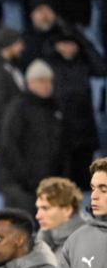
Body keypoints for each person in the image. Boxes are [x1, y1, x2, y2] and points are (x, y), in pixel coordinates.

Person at [0, 59, 64, 211]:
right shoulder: (18, 108)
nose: (46, 85)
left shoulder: (55, 108)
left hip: (50, 185)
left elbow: (62, 145)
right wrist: (25, 178)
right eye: (41, 80)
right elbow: (9, 145)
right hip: (23, 187)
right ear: (30, 83)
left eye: (49, 81)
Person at [45, 27, 107, 188]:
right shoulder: (50, 62)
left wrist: (86, 44)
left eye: (72, 44)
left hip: (83, 125)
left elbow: (101, 69)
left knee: (83, 175)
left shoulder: (83, 61)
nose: (68, 48)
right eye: (63, 44)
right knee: (62, 174)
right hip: (60, 125)